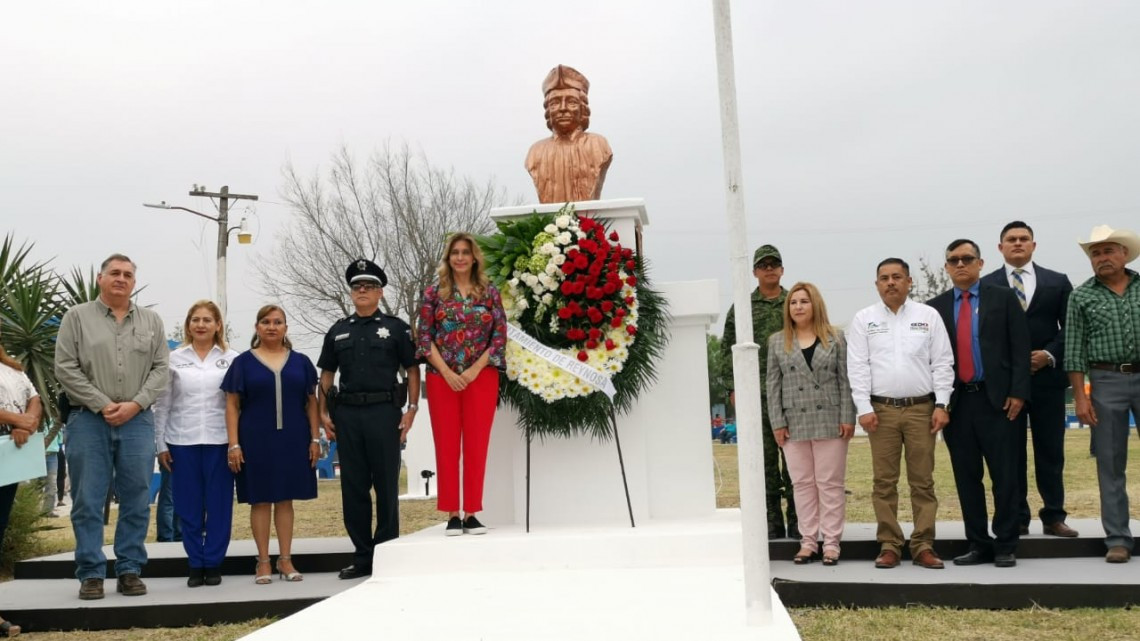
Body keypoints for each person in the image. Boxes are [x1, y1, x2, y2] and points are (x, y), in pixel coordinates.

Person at [54, 253, 169, 600]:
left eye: (128, 274)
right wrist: (103, 404)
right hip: (88, 420)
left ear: (134, 282)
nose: (121, 278)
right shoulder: (76, 317)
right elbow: (65, 367)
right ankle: (90, 572)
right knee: (88, 499)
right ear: (100, 278)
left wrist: (134, 404)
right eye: (114, 273)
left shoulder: (152, 321)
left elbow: (161, 369)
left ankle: (130, 569)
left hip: (138, 421)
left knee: (136, 497)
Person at [846, 258, 953, 570]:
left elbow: (942, 363)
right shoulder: (864, 319)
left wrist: (942, 404)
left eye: (897, 277)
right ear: (877, 284)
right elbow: (858, 366)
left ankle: (923, 545)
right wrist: (863, 408)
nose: (890, 282)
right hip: (881, 412)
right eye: (884, 278)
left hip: (922, 409)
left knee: (923, 482)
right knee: (884, 483)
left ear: (909, 282)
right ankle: (890, 544)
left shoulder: (928, 316)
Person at [929, 239, 1030, 568]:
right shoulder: (936, 307)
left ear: (980, 263)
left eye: (967, 259)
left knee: (1005, 475)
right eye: (953, 260)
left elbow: (1019, 347)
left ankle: (1005, 544)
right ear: (946, 267)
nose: (960, 264)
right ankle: (978, 543)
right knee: (966, 477)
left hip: (998, 401)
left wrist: (1018, 392)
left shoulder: (1003, 298)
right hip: (958, 404)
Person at [318, 258, 420, 579]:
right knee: (354, 487)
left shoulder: (396, 328)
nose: (362, 291)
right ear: (351, 293)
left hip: (384, 413)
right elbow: (327, 375)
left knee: (387, 485)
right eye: (357, 286)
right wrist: (323, 413)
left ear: (380, 292)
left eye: (370, 286)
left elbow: (413, 370)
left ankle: (386, 554)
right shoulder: (338, 331)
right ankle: (363, 557)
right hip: (347, 415)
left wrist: (412, 409)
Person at [980, 221, 1078, 538]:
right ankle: (1017, 517)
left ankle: (1053, 516)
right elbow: (985, 335)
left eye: (1024, 239)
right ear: (1000, 248)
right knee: (1011, 454)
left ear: (1034, 245)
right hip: (1007, 385)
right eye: (1011, 239)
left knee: (1050, 451)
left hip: (1047, 380)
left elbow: (1071, 328)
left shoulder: (1057, 281)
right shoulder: (987, 285)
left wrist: (1048, 354)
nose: (1018, 243)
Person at [416, 233, 507, 536]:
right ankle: (452, 513)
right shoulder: (434, 293)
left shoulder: (489, 292)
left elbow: (499, 335)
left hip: (481, 378)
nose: (460, 257)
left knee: (477, 444)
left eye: (465, 252)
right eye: (454, 252)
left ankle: (471, 513)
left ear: (474, 257)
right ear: (448, 258)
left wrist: (473, 371)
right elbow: (425, 337)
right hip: (443, 378)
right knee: (447, 444)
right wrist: (449, 372)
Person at [222, 305, 320, 584]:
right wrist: (234, 444)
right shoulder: (243, 362)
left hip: (293, 438)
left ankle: (286, 560)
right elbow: (231, 405)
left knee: (285, 499)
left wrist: (315, 438)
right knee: (260, 499)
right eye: (266, 321)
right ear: (257, 327)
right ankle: (263, 561)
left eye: (278, 322)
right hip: (255, 439)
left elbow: (311, 402)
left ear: (286, 328)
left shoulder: (300, 362)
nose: (272, 326)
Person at [1065, 224, 1140, 564]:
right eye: (1096, 253)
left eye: (1109, 251)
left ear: (1124, 254)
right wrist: (1081, 397)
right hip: (1105, 380)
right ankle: (1118, 539)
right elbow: (1074, 350)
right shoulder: (1081, 296)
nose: (1102, 258)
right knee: (1110, 464)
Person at [766, 282, 856, 565]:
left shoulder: (836, 338)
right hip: (794, 422)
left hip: (829, 419)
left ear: (815, 304)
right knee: (802, 484)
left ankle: (831, 543)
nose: (798, 307)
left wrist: (847, 417)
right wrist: (777, 422)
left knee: (829, 483)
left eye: (804, 301)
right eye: (793, 302)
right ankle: (808, 542)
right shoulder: (778, 341)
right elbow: (773, 385)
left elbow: (845, 380)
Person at [153, 300, 239, 587]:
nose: (201, 324)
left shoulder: (233, 358)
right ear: (188, 325)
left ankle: (213, 563)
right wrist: (161, 445)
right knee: (188, 507)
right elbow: (162, 404)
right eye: (195, 319)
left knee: (219, 506)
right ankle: (194, 563)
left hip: (220, 441)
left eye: (207, 320)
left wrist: (237, 444)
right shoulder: (174, 359)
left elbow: (238, 405)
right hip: (182, 441)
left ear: (218, 325)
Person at [721, 244, 797, 539]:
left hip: (792, 393)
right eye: (763, 265)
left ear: (781, 269)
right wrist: (732, 388)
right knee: (763, 461)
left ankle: (799, 520)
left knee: (794, 460)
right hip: (756, 393)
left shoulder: (795, 302)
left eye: (774, 264)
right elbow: (729, 348)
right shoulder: (742, 306)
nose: (769, 269)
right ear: (754, 271)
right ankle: (771, 523)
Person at [0, 331, 41, 637]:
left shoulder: (13, 368)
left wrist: (28, 419)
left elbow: (35, 397)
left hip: (9, 453)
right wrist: (17, 420)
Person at [525, 64, 613, 204]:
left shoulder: (598, 144)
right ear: (548, 110)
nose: (563, 109)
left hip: (588, 222)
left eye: (572, 102)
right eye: (555, 103)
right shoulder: (536, 151)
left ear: (582, 109)